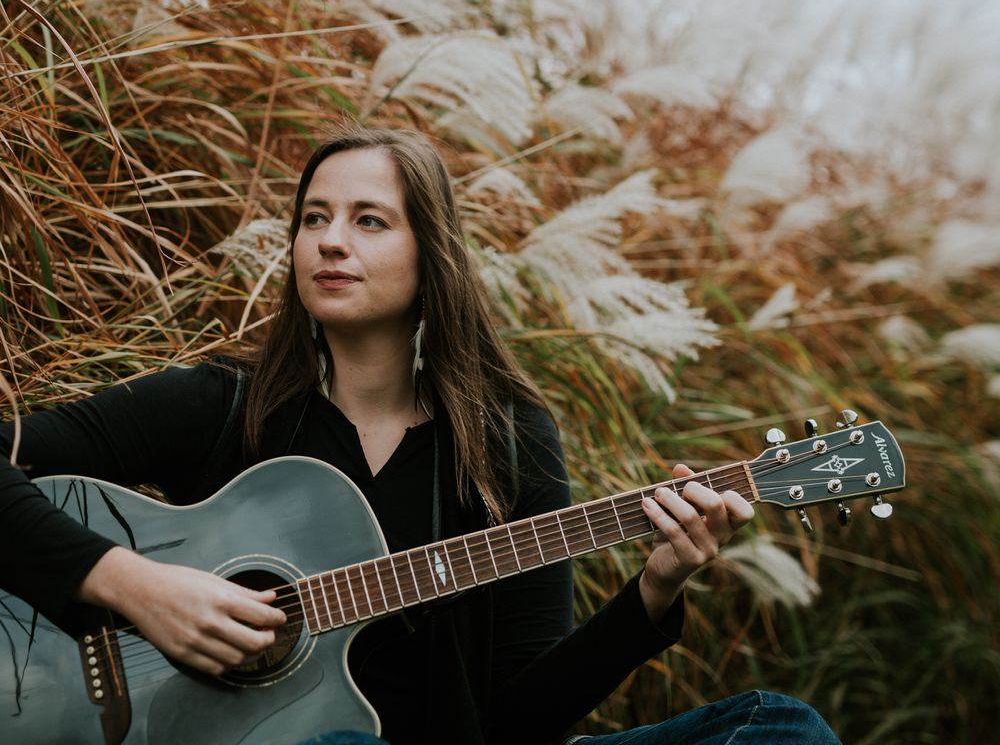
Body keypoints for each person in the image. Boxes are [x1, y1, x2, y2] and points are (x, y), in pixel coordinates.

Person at [0, 126, 840, 745]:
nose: (330, 239)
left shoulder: (508, 440)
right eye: (314, 218)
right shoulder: (219, 404)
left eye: (369, 220)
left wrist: (654, 589)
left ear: (428, 250)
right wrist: (135, 587)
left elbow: (518, 717)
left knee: (782, 729)